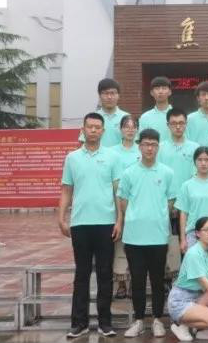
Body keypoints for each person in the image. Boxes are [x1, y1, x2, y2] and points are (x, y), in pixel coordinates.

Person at [58, 112, 122, 338]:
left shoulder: (113, 157)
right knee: (82, 274)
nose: (93, 130)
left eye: (97, 127)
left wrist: (119, 220)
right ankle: (79, 323)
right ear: (83, 130)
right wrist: (61, 217)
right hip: (80, 224)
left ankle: (105, 322)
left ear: (103, 131)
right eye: (90, 127)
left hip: (106, 223)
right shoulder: (72, 158)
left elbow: (117, 191)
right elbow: (67, 189)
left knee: (105, 274)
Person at [116, 129, 175, 338]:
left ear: (158, 147)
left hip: (158, 236)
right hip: (134, 237)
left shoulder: (167, 173)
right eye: (146, 144)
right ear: (139, 146)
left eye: (153, 144)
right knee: (138, 281)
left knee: (158, 281)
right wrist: (136, 216)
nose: (150, 148)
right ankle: (139, 320)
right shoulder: (129, 173)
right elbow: (122, 201)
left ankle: (158, 319)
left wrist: (156, 216)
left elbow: (171, 201)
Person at [168, 217, 208, 342]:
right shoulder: (193, 253)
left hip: (197, 297)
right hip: (181, 300)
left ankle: (204, 331)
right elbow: (205, 282)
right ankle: (181, 326)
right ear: (198, 233)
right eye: (207, 230)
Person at [176, 147, 208, 256]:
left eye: (207, 160)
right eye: (200, 160)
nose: (203, 163)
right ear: (194, 162)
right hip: (193, 233)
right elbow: (183, 213)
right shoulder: (186, 186)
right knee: (194, 265)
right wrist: (183, 239)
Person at [112, 115, 140, 299]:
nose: (130, 129)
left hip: (139, 201)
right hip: (118, 201)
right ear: (120, 129)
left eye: (133, 126)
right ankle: (122, 282)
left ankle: (136, 282)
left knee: (137, 242)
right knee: (120, 241)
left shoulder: (142, 150)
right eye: (126, 126)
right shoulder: (112, 152)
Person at [157, 108, 200, 191]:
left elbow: (197, 174)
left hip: (188, 194)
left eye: (181, 123)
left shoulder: (195, 148)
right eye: (173, 123)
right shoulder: (159, 148)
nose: (178, 127)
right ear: (168, 125)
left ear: (186, 124)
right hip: (166, 194)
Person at [90, 78, 130, 147]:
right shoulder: (92, 118)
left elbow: (133, 143)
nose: (109, 97)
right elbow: (84, 143)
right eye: (105, 93)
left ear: (118, 95)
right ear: (99, 96)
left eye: (113, 93)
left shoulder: (127, 118)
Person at [139, 77, 173, 145]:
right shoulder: (145, 117)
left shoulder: (177, 116)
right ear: (151, 93)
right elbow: (141, 141)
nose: (160, 91)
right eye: (157, 88)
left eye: (164, 88)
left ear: (170, 92)